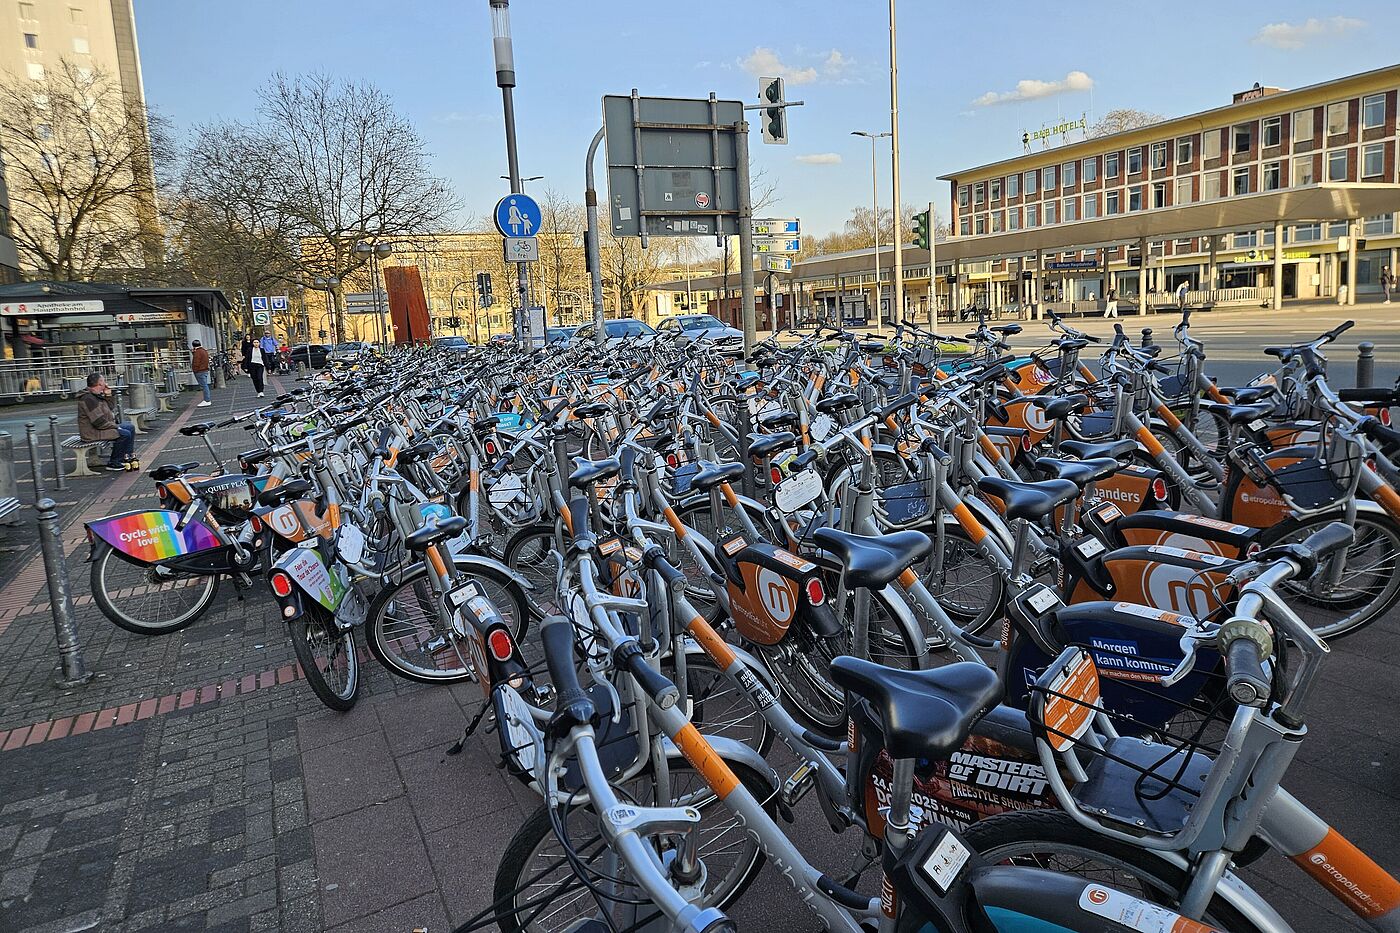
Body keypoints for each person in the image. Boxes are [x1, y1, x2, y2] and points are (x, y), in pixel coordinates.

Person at [78, 373, 136, 472]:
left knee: (130, 427)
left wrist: (108, 395)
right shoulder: (88, 399)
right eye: (103, 381)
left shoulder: (96, 395)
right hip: (92, 432)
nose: (106, 383)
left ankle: (126, 457)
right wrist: (116, 427)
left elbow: (109, 408)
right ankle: (114, 462)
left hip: (100, 428)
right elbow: (98, 422)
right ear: (99, 383)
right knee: (124, 434)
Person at [242, 333, 266, 397]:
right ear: (253, 343)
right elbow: (247, 358)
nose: (256, 344)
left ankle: (261, 391)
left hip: (260, 365)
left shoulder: (262, 350)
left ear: (259, 343)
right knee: (254, 379)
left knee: (259, 377)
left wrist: (268, 367)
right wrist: (246, 367)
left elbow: (265, 358)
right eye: (255, 342)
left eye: (257, 342)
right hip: (252, 366)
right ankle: (258, 391)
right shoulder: (250, 350)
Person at [191, 339, 212, 407]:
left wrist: (195, 370)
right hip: (205, 370)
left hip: (200, 371)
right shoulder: (204, 351)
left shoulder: (197, 352)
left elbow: (196, 362)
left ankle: (207, 400)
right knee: (205, 385)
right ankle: (207, 399)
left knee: (204, 386)